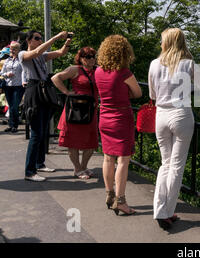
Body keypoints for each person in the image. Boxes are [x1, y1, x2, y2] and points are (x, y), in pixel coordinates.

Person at [148, 28, 197, 230]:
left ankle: (160, 210)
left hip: (161, 115)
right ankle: (166, 212)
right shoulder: (189, 64)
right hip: (181, 115)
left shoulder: (153, 64)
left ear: (166, 42)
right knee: (176, 167)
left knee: (165, 164)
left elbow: (152, 93)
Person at [95, 35, 142, 215]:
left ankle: (109, 194)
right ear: (124, 52)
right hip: (121, 118)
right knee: (123, 160)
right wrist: (125, 94)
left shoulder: (98, 71)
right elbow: (138, 93)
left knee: (108, 158)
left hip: (104, 118)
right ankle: (121, 201)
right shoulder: (124, 73)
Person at [20, 30, 72, 182]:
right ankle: (29, 171)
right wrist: (55, 37)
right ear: (29, 40)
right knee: (36, 133)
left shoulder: (41, 57)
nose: (39, 40)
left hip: (43, 92)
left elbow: (61, 52)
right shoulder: (22, 54)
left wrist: (67, 40)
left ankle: (39, 163)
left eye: (41, 38)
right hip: (34, 92)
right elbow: (36, 52)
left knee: (42, 131)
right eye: (36, 38)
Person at [51, 46, 98, 179]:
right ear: (81, 59)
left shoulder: (98, 70)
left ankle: (84, 166)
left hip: (91, 110)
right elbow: (55, 78)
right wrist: (66, 92)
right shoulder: (74, 69)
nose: (91, 59)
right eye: (88, 57)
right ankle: (77, 168)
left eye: (93, 56)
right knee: (73, 141)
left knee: (91, 140)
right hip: (75, 110)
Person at [0, 41, 24, 133]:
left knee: (14, 106)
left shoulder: (21, 60)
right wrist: (7, 74)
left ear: (18, 50)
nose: (12, 51)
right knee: (10, 106)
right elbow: (2, 73)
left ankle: (15, 125)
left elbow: (25, 72)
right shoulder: (7, 60)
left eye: (14, 49)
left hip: (18, 86)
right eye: (11, 49)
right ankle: (11, 125)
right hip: (8, 85)